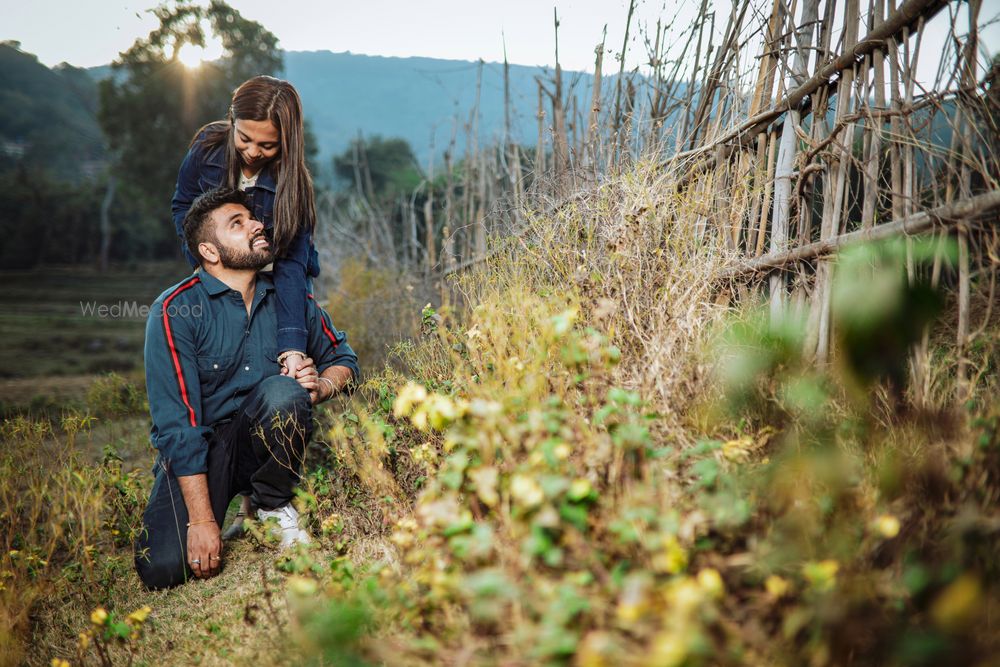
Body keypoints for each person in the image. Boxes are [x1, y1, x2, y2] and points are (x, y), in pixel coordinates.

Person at [135, 187, 358, 590]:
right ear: (210, 251)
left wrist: (320, 387)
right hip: (206, 453)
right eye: (237, 224)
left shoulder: (291, 301)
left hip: (264, 437)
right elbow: (178, 428)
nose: (257, 225)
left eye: (252, 218)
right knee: (164, 570)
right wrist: (202, 521)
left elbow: (346, 362)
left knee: (282, 392)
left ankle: (273, 504)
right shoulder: (175, 310)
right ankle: (231, 512)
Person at [172, 75, 320, 536]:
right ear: (232, 122)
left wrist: (293, 346)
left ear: (287, 141)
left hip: (277, 279)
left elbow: (292, 266)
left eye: (268, 145)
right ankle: (216, 472)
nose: (254, 152)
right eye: (245, 139)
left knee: (280, 376)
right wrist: (208, 259)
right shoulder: (206, 150)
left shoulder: (294, 183)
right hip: (220, 270)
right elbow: (182, 207)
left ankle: (269, 496)